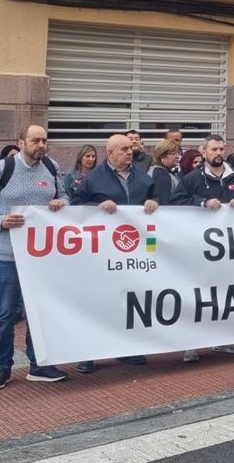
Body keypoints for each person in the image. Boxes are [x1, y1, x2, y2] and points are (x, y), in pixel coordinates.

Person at [0, 125, 71, 389]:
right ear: (21, 142)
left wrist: (61, 204)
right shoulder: (2, 169)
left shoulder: (51, 166)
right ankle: (2, 367)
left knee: (39, 312)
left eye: (44, 140)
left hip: (41, 255)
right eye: (35, 140)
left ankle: (38, 364)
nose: (41, 145)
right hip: (7, 255)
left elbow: (64, 196)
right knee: (5, 313)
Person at [72, 134, 158, 373]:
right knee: (99, 301)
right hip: (102, 252)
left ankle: (127, 348)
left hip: (135, 252)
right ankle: (88, 353)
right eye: (123, 149)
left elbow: (158, 200)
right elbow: (75, 207)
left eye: (130, 149)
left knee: (129, 300)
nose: (130, 152)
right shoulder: (93, 179)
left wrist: (154, 203)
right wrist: (95, 208)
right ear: (110, 154)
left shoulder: (142, 176)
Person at [172, 134, 234, 358]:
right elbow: (175, 202)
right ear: (204, 153)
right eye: (213, 149)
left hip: (228, 247)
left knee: (225, 293)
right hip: (199, 248)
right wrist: (202, 203)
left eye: (221, 149)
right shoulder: (192, 179)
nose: (218, 153)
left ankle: (222, 340)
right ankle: (191, 343)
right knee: (198, 294)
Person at [149, 138, 182, 205]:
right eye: (173, 153)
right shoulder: (161, 174)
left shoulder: (159, 171)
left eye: (178, 153)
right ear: (161, 156)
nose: (177, 156)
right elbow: (163, 201)